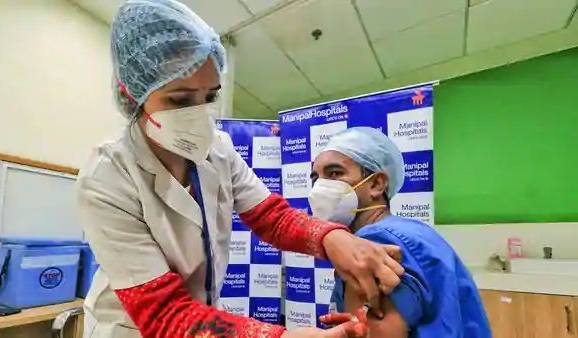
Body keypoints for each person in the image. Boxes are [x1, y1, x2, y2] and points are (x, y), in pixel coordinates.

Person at [76, 1, 404, 337]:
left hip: (202, 319)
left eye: (211, 95)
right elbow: (164, 314)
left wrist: (334, 239)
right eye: (180, 100)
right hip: (131, 328)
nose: (201, 115)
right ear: (132, 94)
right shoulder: (107, 177)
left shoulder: (217, 149)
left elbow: (271, 217)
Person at [308, 127, 491, 337]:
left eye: (334, 173)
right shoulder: (413, 233)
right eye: (316, 178)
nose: (319, 187)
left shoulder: (372, 245)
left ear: (376, 184)